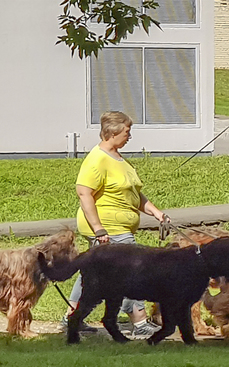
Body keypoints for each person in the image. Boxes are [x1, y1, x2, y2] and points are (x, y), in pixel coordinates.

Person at [58, 111, 167, 338]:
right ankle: (139, 321)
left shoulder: (119, 159)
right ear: (113, 132)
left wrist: (156, 213)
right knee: (133, 268)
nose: (129, 136)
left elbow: (134, 195)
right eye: (127, 132)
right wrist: (99, 229)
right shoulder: (97, 159)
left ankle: (71, 318)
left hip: (121, 227)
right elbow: (84, 193)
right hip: (108, 228)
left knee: (91, 272)